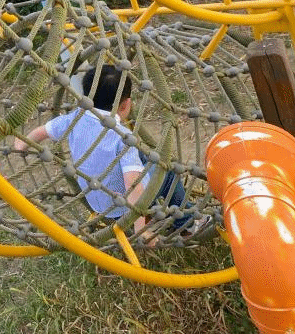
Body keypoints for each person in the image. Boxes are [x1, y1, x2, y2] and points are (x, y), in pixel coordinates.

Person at [13, 65, 190, 239]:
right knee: (167, 171)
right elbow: (133, 184)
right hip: (122, 210)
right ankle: (187, 223)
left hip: (97, 202)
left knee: (141, 157)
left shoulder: (74, 118)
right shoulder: (122, 136)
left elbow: (42, 131)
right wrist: (140, 230)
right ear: (126, 104)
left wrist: (21, 144)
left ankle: (153, 212)